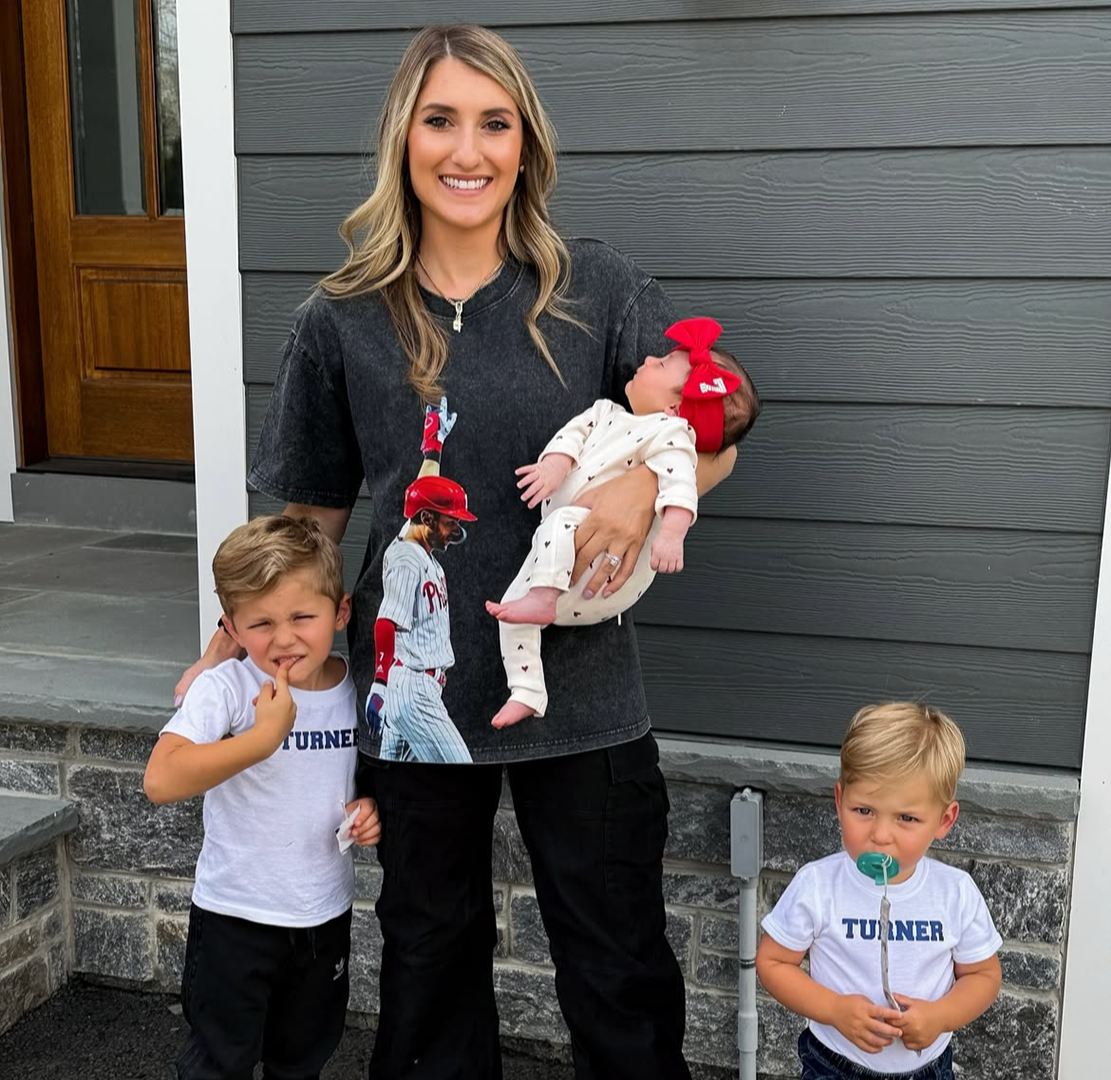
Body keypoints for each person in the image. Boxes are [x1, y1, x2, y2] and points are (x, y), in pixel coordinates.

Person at [176, 24, 738, 1079]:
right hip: (414, 700)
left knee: (615, 960)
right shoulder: (341, 318)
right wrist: (235, 639)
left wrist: (638, 489)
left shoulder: (600, 289)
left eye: (494, 123)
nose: (467, 150)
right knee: (429, 958)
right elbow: (310, 524)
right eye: (440, 121)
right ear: (405, 137)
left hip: (581, 691)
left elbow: (717, 434)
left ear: (526, 146)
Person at [145, 515, 382, 1080]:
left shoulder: (356, 689)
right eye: (261, 623)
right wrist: (261, 739)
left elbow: (345, 780)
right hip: (236, 917)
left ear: (341, 612)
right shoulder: (226, 687)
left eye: (303, 617)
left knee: (302, 1060)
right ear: (231, 625)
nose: (283, 638)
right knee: (219, 1062)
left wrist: (367, 809)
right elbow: (161, 779)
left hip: (323, 916)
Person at [485, 315, 759, 728]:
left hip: (602, 565)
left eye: (661, 364)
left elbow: (680, 484)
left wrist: (672, 533)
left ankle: (543, 596)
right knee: (512, 610)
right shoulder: (605, 411)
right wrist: (555, 464)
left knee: (557, 527)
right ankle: (527, 690)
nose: (646, 359)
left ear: (674, 408)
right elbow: (572, 435)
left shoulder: (668, 434)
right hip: (557, 553)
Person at [755, 703, 1003, 1080]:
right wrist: (834, 1009)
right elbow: (773, 963)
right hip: (835, 1065)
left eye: (907, 818)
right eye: (864, 811)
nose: (881, 835)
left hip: (927, 1068)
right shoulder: (819, 885)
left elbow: (984, 975)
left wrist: (940, 1016)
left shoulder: (955, 893)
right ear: (839, 801)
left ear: (944, 820)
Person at [366, 402, 477, 763]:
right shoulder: (406, 559)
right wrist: (379, 683)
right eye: (451, 522)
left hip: (419, 685)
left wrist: (433, 445)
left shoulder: (416, 535)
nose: (456, 530)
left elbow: (422, 487)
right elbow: (386, 622)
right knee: (458, 770)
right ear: (427, 519)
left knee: (397, 782)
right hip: (413, 688)